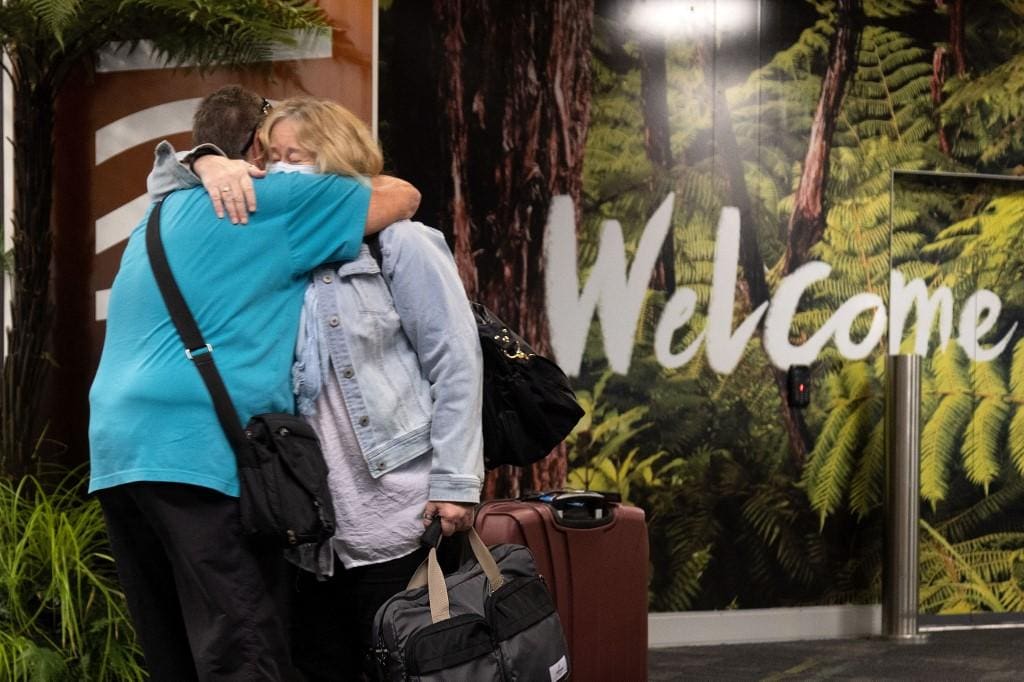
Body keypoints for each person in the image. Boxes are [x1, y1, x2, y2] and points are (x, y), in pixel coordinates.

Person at [88, 85, 421, 681]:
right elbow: (401, 195)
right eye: (278, 150)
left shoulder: (162, 213)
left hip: (120, 450)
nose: (288, 163)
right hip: (198, 449)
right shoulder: (270, 198)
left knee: (174, 652)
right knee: (244, 649)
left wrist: (201, 158)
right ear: (253, 156)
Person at [177, 97, 485, 680]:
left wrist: (456, 482)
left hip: (401, 510)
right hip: (311, 531)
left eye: (299, 155)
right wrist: (205, 162)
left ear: (337, 156)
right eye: (274, 157)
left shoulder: (399, 242)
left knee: (418, 665)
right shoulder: (272, 255)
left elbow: (455, 362)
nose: (284, 169)